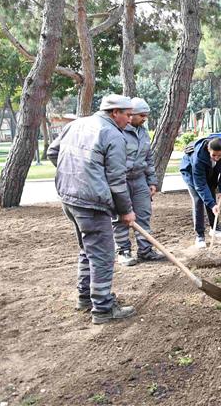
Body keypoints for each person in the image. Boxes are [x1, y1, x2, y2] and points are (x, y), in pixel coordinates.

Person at [48, 94, 137, 324]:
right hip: (92, 204)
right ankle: (103, 308)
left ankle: (85, 298)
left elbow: (52, 152)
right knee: (103, 255)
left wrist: (78, 174)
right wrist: (126, 210)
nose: (130, 120)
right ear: (114, 112)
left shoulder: (76, 124)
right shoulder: (113, 136)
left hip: (69, 199)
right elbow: (117, 181)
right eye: (127, 115)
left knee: (87, 250)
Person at [112, 97, 164, 265]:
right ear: (131, 114)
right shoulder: (117, 130)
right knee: (122, 216)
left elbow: (148, 158)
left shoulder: (143, 132)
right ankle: (123, 251)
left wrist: (152, 181)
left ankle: (145, 250)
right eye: (142, 115)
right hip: (122, 180)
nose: (144, 119)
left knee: (143, 215)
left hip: (140, 180)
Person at [179, 136, 221, 247]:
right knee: (198, 199)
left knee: (211, 194)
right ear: (208, 150)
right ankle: (200, 236)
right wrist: (212, 205)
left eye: (219, 155)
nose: (217, 158)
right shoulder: (198, 158)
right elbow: (200, 185)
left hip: (210, 173)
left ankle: (215, 228)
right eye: (214, 155)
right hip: (191, 174)